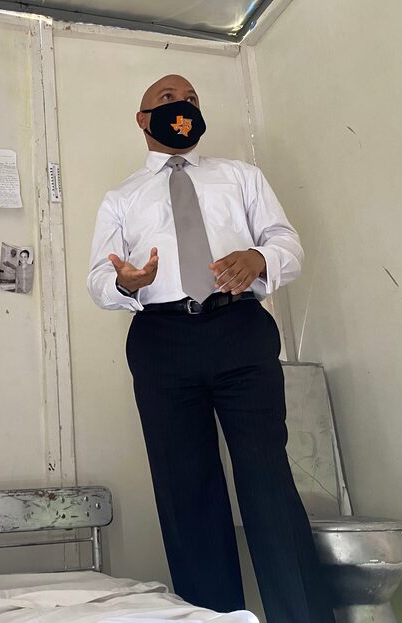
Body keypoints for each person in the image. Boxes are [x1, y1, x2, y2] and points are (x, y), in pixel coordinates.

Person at [87, 74, 334, 623]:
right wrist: (128, 281)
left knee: (267, 479)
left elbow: (285, 240)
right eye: (168, 100)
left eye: (192, 99)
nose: (183, 107)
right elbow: (99, 282)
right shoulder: (122, 198)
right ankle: (211, 615)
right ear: (142, 118)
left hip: (239, 330)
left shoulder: (240, 177)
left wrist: (259, 259)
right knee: (185, 489)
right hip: (160, 340)